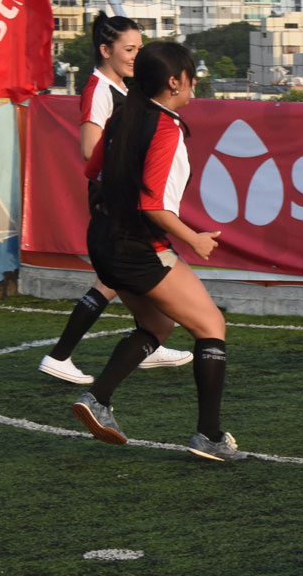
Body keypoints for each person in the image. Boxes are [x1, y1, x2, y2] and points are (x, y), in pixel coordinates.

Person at [70, 40, 242, 461]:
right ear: (173, 82)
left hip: (103, 241)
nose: (194, 85)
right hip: (138, 247)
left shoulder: (121, 116)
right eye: (191, 77)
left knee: (158, 326)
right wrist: (195, 239)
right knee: (210, 326)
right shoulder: (166, 129)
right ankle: (209, 436)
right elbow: (154, 206)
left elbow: (93, 172)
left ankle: (98, 400)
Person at [38, 12, 192, 384]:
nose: (136, 56)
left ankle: (144, 341)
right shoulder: (98, 91)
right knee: (118, 274)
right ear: (105, 50)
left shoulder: (123, 89)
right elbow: (91, 151)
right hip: (114, 200)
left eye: (140, 49)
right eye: (129, 49)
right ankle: (64, 355)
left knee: (116, 278)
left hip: (118, 199)